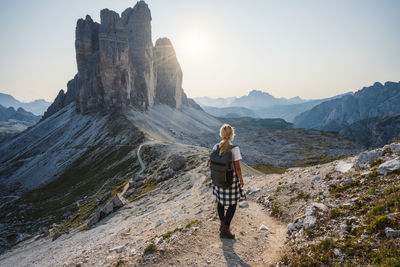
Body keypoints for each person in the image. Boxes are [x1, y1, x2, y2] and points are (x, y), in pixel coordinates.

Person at [212, 124, 245, 239]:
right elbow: (237, 167)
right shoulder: (234, 148)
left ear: (221, 134)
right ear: (232, 135)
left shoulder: (216, 147)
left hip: (218, 179)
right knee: (233, 203)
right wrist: (241, 179)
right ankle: (226, 228)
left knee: (220, 202)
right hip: (231, 180)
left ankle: (222, 224)